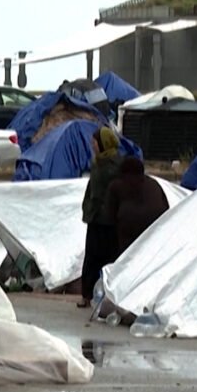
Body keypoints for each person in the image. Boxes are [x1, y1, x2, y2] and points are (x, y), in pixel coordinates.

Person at [78, 127, 123, 308]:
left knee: (110, 258)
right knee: (91, 258)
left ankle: (109, 295)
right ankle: (86, 295)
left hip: (110, 220)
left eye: (95, 142)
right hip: (95, 218)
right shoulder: (97, 163)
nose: (93, 146)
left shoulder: (115, 165)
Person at [105, 156, 170, 252]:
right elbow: (166, 207)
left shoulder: (117, 185)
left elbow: (110, 214)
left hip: (129, 228)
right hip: (156, 227)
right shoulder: (154, 183)